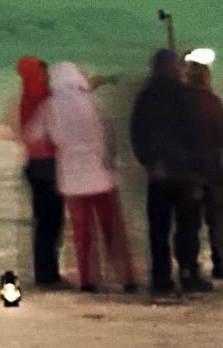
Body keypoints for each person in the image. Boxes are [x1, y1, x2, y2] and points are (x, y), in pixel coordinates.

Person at [41, 60, 139, 293]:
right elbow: (108, 132)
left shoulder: (51, 106)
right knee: (111, 229)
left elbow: (43, 134)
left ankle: (88, 279)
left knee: (82, 233)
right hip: (101, 178)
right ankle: (126, 277)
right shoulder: (93, 102)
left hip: (73, 181)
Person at [128, 47, 218, 294]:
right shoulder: (184, 96)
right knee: (187, 227)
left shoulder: (145, 97)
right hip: (185, 174)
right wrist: (200, 172)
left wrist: (148, 161)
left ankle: (161, 277)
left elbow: (137, 133)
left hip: (159, 175)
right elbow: (196, 135)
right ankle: (188, 272)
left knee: (159, 229)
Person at [185, 56, 223, 280]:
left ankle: (189, 265)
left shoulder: (182, 104)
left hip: (189, 174)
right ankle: (220, 262)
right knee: (218, 220)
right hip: (214, 172)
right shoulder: (213, 102)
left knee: (190, 222)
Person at [13, 57, 65, 289]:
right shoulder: (41, 97)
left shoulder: (27, 96)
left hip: (35, 164)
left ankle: (45, 271)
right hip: (48, 164)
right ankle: (48, 273)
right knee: (51, 220)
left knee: (44, 219)